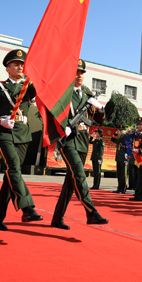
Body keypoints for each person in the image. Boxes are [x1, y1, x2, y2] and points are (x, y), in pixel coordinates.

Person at [0, 49, 43, 231]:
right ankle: (27, 207)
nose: (20, 67)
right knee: (14, 168)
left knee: (11, 176)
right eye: (15, 64)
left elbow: (41, 85)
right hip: (4, 133)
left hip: (23, 134)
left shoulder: (28, 86)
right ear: (7, 68)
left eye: (22, 64)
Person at [51, 59, 108, 230]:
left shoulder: (87, 98)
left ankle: (57, 219)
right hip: (68, 142)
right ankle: (91, 212)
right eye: (76, 72)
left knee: (70, 182)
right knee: (79, 174)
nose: (79, 75)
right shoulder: (63, 95)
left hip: (83, 142)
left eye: (82, 72)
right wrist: (63, 128)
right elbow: (52, 114)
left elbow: (99, 120)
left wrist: (99, 109)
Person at [110, 125, 128, 193]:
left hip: (124, 159)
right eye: (120, 130)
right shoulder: (119, 139)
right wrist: (115, 133)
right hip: (118, 158)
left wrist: (127, 158)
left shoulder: (126, 139)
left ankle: (123, 189)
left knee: (123, 175)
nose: (120, 131)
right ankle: (119, 188)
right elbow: (112, 139)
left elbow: (128, 148)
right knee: (119, 174)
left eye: (121, 130)